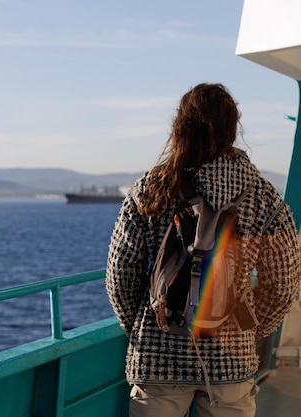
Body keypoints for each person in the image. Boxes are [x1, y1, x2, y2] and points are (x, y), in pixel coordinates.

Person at [106, 83, 301, 417]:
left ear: (179, 127)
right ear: (232, 129)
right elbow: (284, 283)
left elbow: (120, 275)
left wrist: (143, 324)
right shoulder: (263, 196)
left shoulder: (149, 190)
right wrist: (251, 328)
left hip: (159, 354)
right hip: (231, 359)